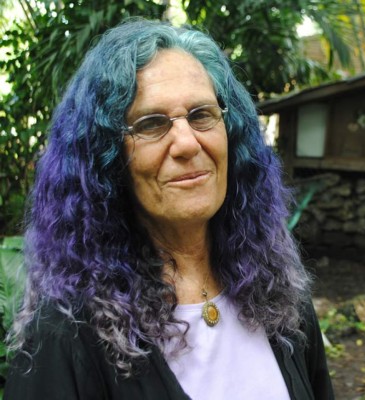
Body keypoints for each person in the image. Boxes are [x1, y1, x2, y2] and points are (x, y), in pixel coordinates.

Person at [6, 18, 334, 400]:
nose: (187, 144)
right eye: (151, 124)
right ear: (106, 159)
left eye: (201, 115)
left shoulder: (276, 288)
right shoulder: (67, 332)